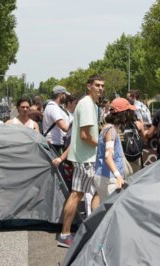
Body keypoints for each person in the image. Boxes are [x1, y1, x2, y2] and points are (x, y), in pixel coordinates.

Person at [58, 74, 104, 248]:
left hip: (87, 158)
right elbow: (85, 136)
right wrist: (102, 144)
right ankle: (66, 233)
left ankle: (83, 230)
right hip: (86, 159)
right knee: (79, 194)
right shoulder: (86, 104)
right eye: (97, 85)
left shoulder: (90, 104)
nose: (100, 88)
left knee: (86, 193)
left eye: (102, 85)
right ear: (89, 86)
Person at [94, 98, 136, 202]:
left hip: (103, 176)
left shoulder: (106, 128)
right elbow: (108, 157)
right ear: (123, 114)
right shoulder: (111, 130)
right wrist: (118, 177)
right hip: (110, 179)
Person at [43, 86, 71, 154]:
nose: (66, 97)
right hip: (54, 144)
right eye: (65, 95)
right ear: (61, 95)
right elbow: (64, 127)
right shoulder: (53, 108)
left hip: (54, 143)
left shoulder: (53, 107)